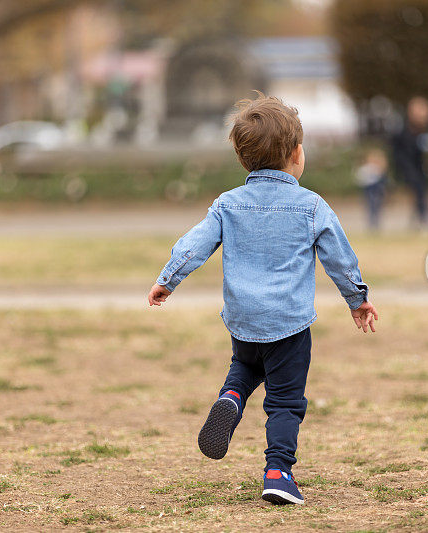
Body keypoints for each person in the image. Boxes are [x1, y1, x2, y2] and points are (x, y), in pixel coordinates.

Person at [147, 94, 378, 506]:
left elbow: (194, 244)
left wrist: (169, 279)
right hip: (289, 323)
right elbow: (340, 259)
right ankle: (278, 472)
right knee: (286, 401)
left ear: (244, 159)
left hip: (243, 321)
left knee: (246, 366)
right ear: (295, 154)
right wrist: (356, 299)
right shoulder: (311, 206)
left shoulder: (228, 204)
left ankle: (231, 399)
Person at [392, 96, 428, 228]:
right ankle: (423, 219)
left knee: (421, 193)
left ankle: (423, 218)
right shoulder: (404, 130)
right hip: (408, 167)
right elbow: (398, 150)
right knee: (419, 191)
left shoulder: (425, 130)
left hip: (419, 167)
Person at [355, 148, 389, 230]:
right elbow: (360, 179)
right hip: (369, 189)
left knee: (376, 206)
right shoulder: (365, 169)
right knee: (371, 206)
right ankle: (372, 223)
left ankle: (375, 223)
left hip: (376, 189)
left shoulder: (378, 169)